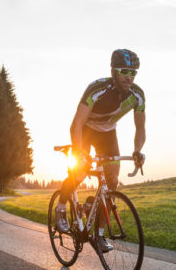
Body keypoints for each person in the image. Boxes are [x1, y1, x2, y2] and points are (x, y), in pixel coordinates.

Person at [55, 49, 146, 252]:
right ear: (113, 70)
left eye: (133, 73)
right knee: (79, 172)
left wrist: (138, 150)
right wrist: (80, 154)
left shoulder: (137, 95)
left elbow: (140, 127)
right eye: (124, 71)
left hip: (108, 134)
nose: (128, 77)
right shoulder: (97, 89)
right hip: (86, 130)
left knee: (112, 182)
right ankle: (61, 207)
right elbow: (76, 124)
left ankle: (99, 234)